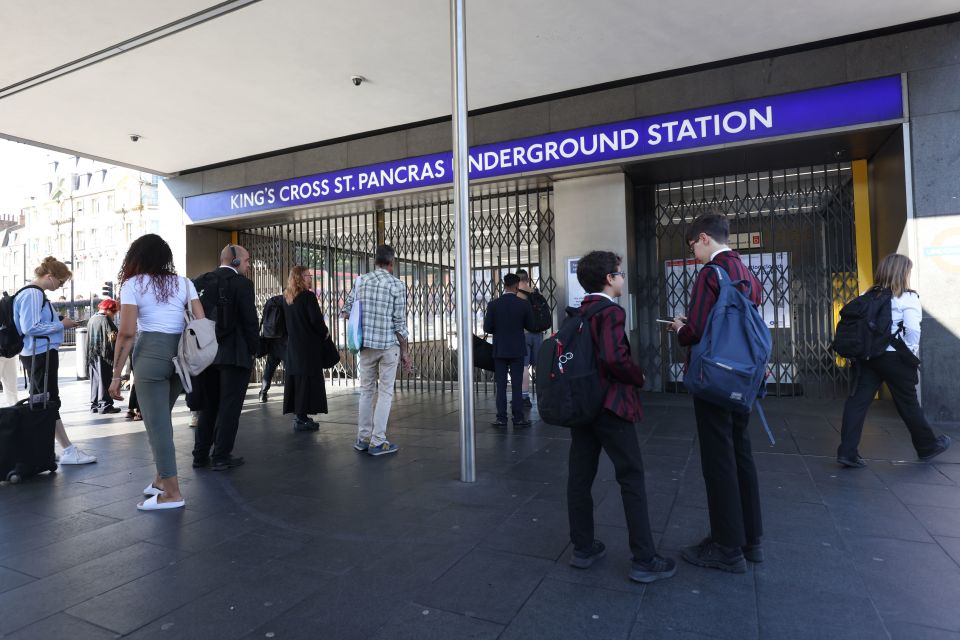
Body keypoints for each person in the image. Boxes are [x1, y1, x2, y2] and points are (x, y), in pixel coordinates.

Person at [564, 251, 676, 583]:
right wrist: (637, 376)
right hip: (611, 406)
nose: (623, 278)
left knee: (580, 478)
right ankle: (644, 558)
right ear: (610, 279)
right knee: (631, 476)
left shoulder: (578, 312)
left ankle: (583, 548)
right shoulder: (610, 312)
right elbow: (614, 358)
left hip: (583, 407)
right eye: (620, 273)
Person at [668, 213, 763, 574]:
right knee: (741, 453)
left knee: (717, 458)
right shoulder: (746, 273)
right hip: (743, 376)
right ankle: (751, 540)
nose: (693, 253)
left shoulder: (712, 274)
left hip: (715, 378)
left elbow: (695, 330)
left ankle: (726, 547)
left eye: (692, 245)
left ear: (704, 238)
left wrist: (679, 328)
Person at [109, 234, 203, 510]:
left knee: (157, 425)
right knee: (161, 421)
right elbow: (201, 320)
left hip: (151, 353)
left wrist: (116, 376)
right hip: (181, 355)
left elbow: (126, 333)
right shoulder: (185, 283)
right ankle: (161, 480)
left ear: (136, 258)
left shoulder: (132, 284)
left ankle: (172, 493)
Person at [837, 253, 951, 467]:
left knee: (857, 402)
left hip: (868, 357)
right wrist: (909, 355)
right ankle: (927, 446)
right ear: (903, 273)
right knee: (908, 403)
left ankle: (847, 452)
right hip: (895, 357)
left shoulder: (867, 295)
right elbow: (913, 331)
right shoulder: (908, 297)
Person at [14, 258, 97, 464]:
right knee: (47, 402)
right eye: (60, 282)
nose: (60, 286)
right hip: (40, 353)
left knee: (45, 402)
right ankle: (65, 450)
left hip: (37, 353)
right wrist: (62, 325)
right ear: (49, 277)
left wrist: (58, 322)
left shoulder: (32, 293)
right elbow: (30, 327)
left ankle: (44, 450)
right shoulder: (33, 294)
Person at [340, 244, 412, 456]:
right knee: (385, 392)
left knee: (366, 391)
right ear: (392, 263)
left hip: (366, 347)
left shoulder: (360, 281)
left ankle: (363, 438)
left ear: (375, 261)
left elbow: (345, 311)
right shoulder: (397, 286)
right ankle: (378, 441)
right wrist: (405, 352)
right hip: (388, 347)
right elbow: (399, 323)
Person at [192, 244, 259, 471]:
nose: (249, 266)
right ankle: (221, 455)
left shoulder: (199, 281)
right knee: (230, 407)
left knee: (208, 406)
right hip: (234, 354)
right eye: (247, 261)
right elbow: (250, 321)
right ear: (235, 261)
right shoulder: (242, 284)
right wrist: (254, 348)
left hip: (206, 354)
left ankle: (200, 455)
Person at [483, 273, 536, 427]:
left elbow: (487, 328)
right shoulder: (523, 305)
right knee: (517, 384)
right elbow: (531, 326)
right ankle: (518, 418)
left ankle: (501, 418)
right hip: (517, 350)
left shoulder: (493, 304)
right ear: (516, 286)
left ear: (504, 285)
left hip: (500, 350)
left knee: (500, 385)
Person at [282, 267, 329, 431]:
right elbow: (316, 320)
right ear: (300, 277)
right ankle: (301, 419)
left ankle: (300, 415)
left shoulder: (286, 297)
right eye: (308, 275)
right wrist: (325, 332)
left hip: (293, 346)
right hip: (308, 346)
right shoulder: (308, 297)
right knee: (306, 381)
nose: (311, 278)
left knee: (297, 381)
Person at [516, 269, 550, 407]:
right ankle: (544, 395)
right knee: (539, 365)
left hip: (523, 334)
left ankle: (524, 397)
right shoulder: (537, 293)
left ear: (517, 281)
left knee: (523, 366)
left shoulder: (517, 295)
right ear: (527, 279)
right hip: (538, 334)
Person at [88, 299, 121, 414]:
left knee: (95, 379)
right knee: (105, 379)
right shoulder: (105, 319)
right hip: (104, 354)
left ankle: (95, 404)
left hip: (92, 354)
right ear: (109, 310)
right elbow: (113, 336)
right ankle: (105, 404)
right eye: (114, 312)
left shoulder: (92, 319)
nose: (114, 315)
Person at [258, 294, 287, 403]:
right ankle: (290, 394)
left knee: (269, 368)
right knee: (289, 369)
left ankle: (263, 393)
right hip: (284, 341)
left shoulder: (271, 302)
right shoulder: (286, 302)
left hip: (271, 340)